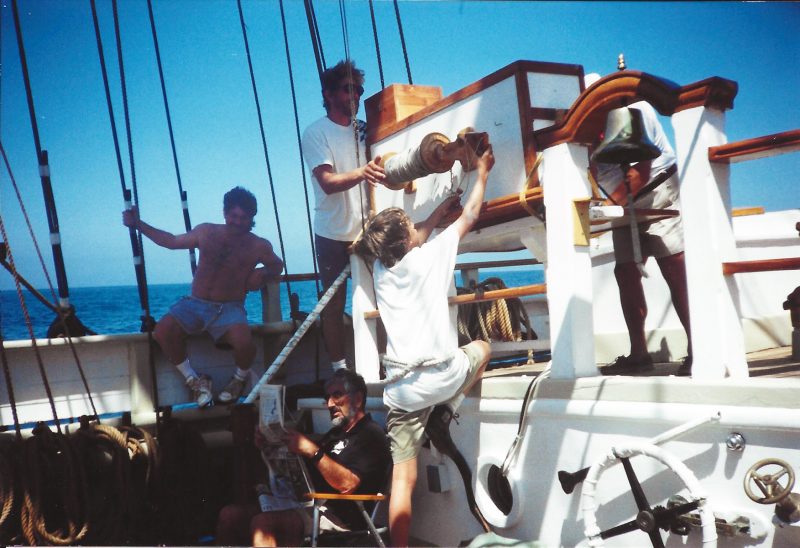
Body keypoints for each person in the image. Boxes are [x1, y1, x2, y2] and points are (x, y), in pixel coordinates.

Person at [354, 147, 495, 546]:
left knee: (404, 478)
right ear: (407, 238)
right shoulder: (431, 257)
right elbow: (470, 217)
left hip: (400, 390)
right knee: (483, 348)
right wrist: (481, 172)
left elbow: (415, 237)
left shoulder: (381, 269)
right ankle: (447, 413)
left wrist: (434, 216)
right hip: (441, 378)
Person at [122, 186, 284, 406]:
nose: (237, 222)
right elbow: (170, 241)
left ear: (252, 218)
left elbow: (277, 265)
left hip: (230, 308)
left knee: (245, 344)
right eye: (233, 216)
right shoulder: (206, 231)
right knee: (162, 331)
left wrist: (261, 273)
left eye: (243, 218)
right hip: (195, 304)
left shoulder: (259, 245)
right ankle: (195, 381)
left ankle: (238, 380)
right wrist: (138, 224)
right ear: (225, 213)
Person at [215, 369, 391, 547]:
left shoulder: (370, 435)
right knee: (229, 515)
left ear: (358, 399)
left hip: (339, 516)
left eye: (337, 395)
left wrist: (312, 450)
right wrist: (270, 448)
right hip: (308, 503)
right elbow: (302, 472)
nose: (330, 404)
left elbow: (348, 484)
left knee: (264, 524)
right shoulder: (334, 435)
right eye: (327, 397)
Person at [591, 101, 693, 376]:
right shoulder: (584, 128)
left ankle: (699, 347)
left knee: (674, 267)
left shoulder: (637, 111)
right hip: (618, 202)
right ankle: (639, 354)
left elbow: (641, 172)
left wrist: (598, 214)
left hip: (658, 190)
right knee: (625, 272)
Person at [301, 59, 386, 373]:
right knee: (333, 306)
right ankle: (339, 369)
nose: (357, 96)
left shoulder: (364, 131)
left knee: (382, 295)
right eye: (349, 89)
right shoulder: (315, 133)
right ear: (328, 93)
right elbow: (327, 182)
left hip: (368, 230)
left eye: (360, 90)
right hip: (332, 233)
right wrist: (364, 172)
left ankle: (385, 362)